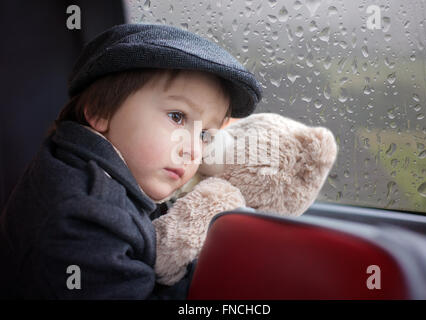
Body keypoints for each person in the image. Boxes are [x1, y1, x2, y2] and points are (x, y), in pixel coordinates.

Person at [0, 23, 262, 299]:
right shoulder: (88, 217)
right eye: (177, 117)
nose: (194, 150)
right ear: (100, 111)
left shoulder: (94, 169)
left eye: (206, 135)